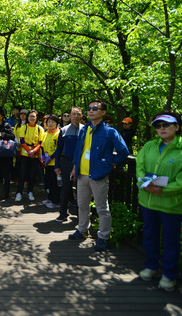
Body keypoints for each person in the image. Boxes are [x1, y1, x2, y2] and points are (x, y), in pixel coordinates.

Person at [136, 111, 182, 291]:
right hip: (147, 201)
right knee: (150, 236)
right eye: (158, 126)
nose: (161, 129)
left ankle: (169, 274)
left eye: (166, 125)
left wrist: (162, 190)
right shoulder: (149, 146)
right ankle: (152, 266)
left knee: (171, 241)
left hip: (170, 204)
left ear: (177, 127)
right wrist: (145, 183)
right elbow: (139, 166)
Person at [69, 100, 129, 251]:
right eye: (89, 109)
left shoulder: (110, 131)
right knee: (82, 205)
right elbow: (79, 150)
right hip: (82, 174)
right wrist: (75, 167)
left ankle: (103, 237)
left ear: (103, 112)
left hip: (98, 174)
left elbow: (123, 151)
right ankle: (82, 230)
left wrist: (110, 163)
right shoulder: (85, 129)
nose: (91, 111)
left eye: (95, 109)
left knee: (102, 208)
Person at [54, 107, 83, 223]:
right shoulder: (64, 130)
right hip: (66, 162)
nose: (76, 116)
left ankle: (82, 216)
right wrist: (57, 165)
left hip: (82, 163)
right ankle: (63, 213)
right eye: (73, 114)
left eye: (78, 114)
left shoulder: (86, 130)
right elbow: (59, 149)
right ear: (70, 116)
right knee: (65, 188)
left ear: (82, 116)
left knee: (82, 189)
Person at [15, 110, 45, 202]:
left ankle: (30, 192)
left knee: (32, 174)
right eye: (30, 116)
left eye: (33, 116)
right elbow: (22, 141)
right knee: (22, 173)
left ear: (36, 118)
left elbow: (40, 142)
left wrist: (34, 151)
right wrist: (29, 151)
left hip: (35, 155)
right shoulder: (23, 127)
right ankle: (19, 192)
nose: (31, 118)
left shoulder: (40, 129)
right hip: (25, 154)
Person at [41, 114, 61, 209]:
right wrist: (42, 157)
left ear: (56, 123)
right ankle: (50, 198)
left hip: (55, 163)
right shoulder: (45, 133)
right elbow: (42, 146)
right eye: (49, 122)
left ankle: (56, 201)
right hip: (46, 162)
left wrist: (51, 157)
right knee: (48, 181)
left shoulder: (58, 133)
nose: (50, 123)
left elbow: (59, 149)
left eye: (53, 122)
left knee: (55, 182)